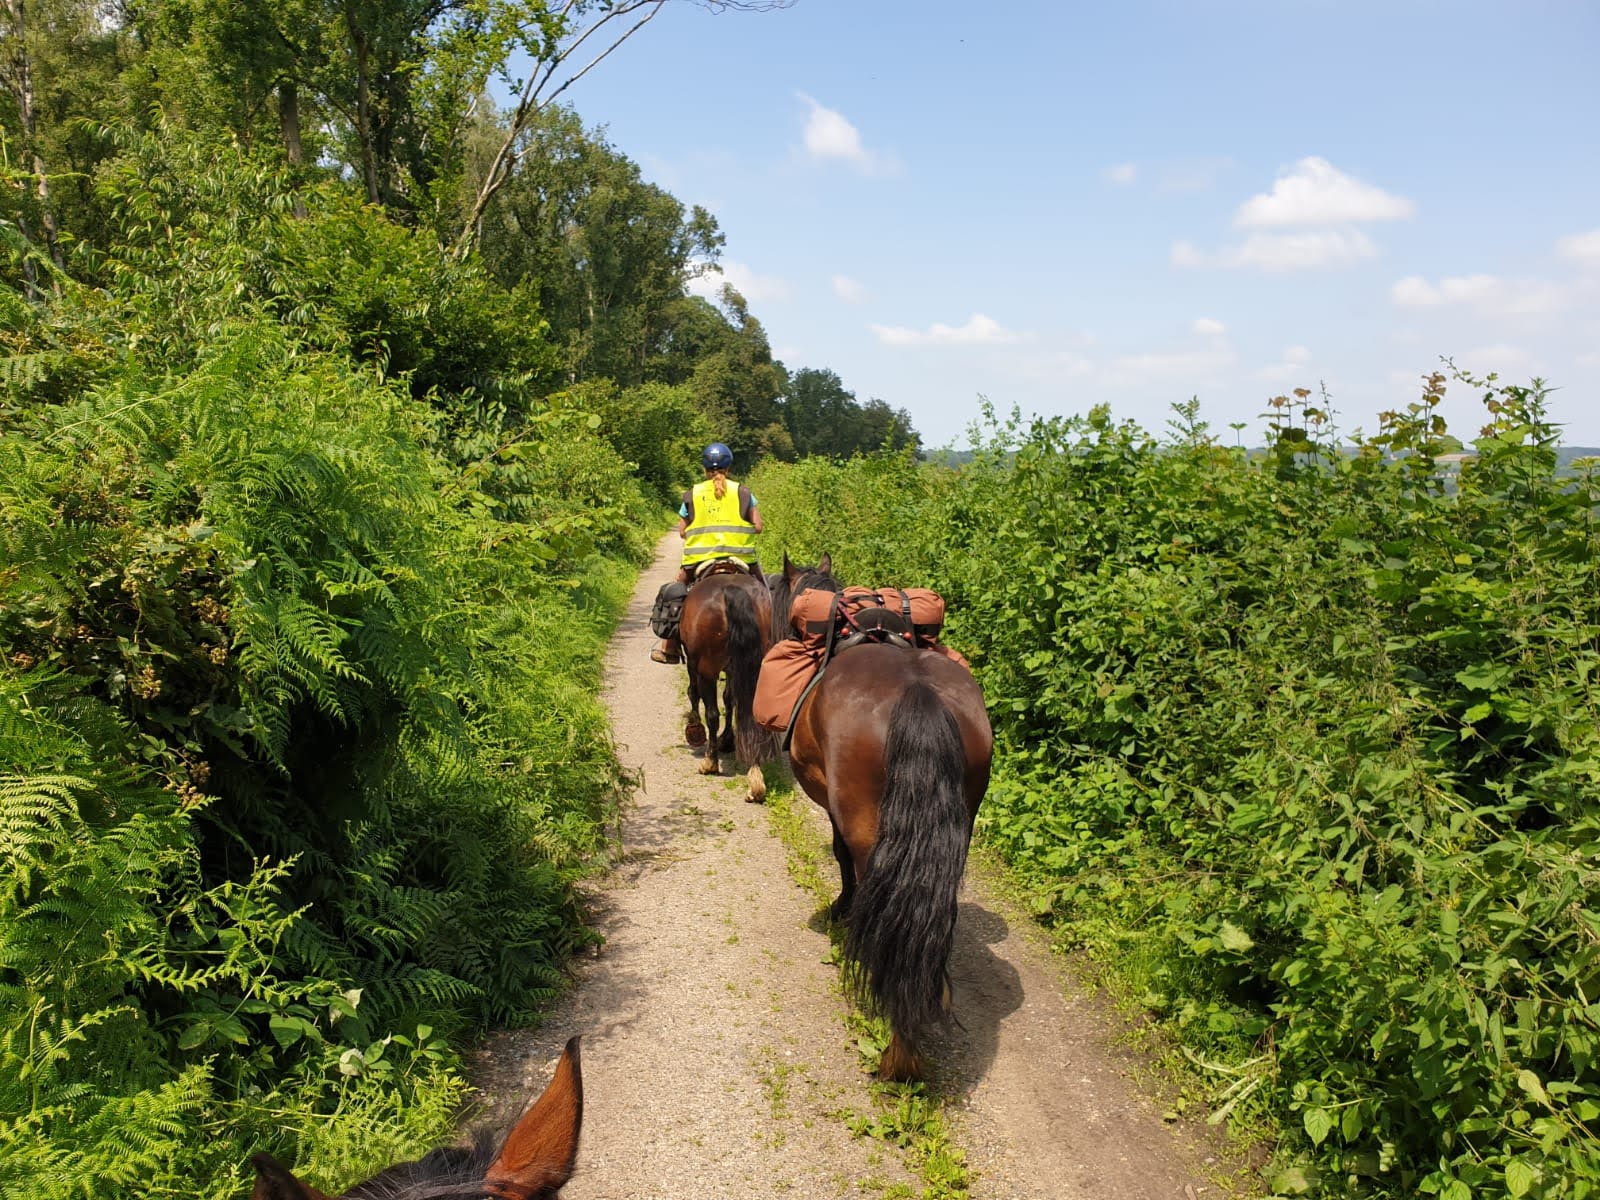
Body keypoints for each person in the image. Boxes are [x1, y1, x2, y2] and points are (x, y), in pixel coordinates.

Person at [652, 442, 764, 663]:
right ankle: (773, 643)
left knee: (676, 593)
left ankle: (669, 648)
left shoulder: (692, 494)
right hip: (741, 558)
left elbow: (682, 530)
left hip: (698, 559)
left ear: (705, 469)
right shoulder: (743, 492)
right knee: (765, 595)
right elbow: (758, 527)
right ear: (729, 468)